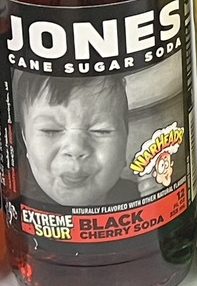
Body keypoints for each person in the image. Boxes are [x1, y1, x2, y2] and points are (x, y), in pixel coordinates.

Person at [17, 73, 135, 210]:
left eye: (101, 131)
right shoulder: (19, 199)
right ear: (25, 139)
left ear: (125, 139)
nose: (75, 148)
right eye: (51, 130)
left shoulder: (138, 193)